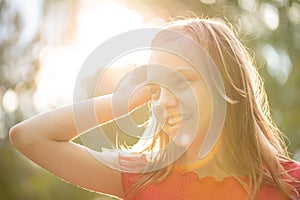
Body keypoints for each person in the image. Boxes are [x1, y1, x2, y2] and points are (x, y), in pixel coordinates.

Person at [9, 18, 300, 200]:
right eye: (156, 89)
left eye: (182, 81)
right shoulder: (142, 177)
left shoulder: (291, 184)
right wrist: (119, 104)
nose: (164, 101)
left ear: (225, 85)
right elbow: (28, 136)